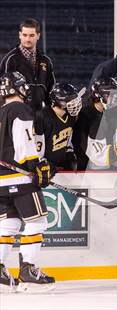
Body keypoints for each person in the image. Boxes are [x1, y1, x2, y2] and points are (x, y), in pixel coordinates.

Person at [0, 72, 56, 293]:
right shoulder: (20, 110)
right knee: (37, 221)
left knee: (9, 224)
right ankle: (28, 272)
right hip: (20, 178)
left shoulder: (1, 112)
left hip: (0, 179)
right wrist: (36, 165)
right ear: (16, 88)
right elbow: (24, 143)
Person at [0, 18, 55, 113]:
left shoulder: (46, 61)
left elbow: (50, 89)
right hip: (17, 114)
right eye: (24, 35)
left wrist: (50, 113)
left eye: (31, 35)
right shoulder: (10, 59)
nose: (27, 39)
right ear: (19, 35)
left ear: (38, 36)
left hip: (40, 114)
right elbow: (2, 90)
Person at [34, 83, 83, 171]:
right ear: (60, 102)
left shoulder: (71, 116)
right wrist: (42, 163)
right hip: (47, 167)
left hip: (61, 164)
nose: (75, 103)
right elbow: (37, 147)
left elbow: (68, 139)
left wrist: (69, 152)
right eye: (72, 100)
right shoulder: (42, 117)